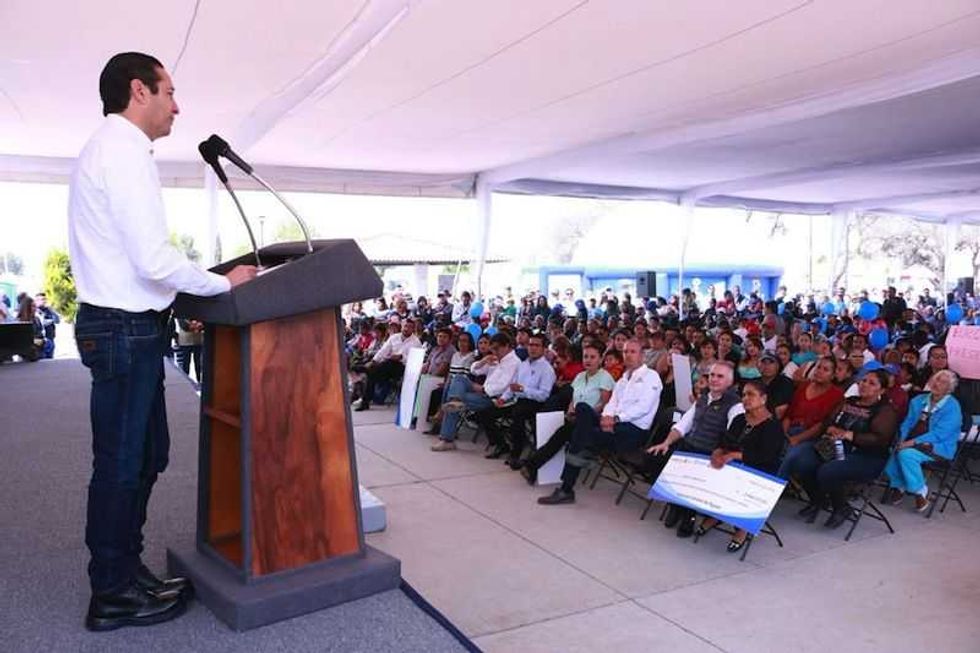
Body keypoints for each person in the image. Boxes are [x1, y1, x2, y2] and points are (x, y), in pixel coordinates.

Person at [69, 52, 258, 631]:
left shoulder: (117, 150)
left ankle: (127, 572)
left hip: (131, 326)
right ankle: (112, 593)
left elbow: (139, 261)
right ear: (138, 91)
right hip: (123, 329)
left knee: (146, 457)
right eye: (169, 92)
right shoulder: (120, 151)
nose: (178, 105)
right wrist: (220, 283)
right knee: (123, 465)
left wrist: (185, 295)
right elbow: (152, 258)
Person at [537, 339, 662, 505]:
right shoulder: (624, 379)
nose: (628, 356)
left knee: (579, 435)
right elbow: (612, 403)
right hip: (613, 423)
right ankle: (583, 457)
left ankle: (567, 488)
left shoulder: (651, 377)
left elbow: (643, 407)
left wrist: (616, 418)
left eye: (633, 352)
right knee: (582, 408)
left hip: (633, 431)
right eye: (625, 352)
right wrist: (606, 417)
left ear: (642, 355)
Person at [787, 370, 899, 528]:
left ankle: (841, 507)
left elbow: (881, 439)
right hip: (836, 447)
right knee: (801, 462)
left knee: (828, 470)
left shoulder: (885, 410)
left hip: (867, 456)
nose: (864, 385)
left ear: (881, 390)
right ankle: (818, 500)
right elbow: (828, 421)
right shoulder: (849, 401)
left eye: (871, 383)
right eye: (863, 380)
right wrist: (831, 428)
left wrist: (849, 435)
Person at [645, 362, 743, 537]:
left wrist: (721, 453)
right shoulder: (704, 397)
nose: (714, 379)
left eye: (720, 376)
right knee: (655, 458)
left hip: (709, 453)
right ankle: (675, 506)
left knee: (694, 476)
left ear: (729, 382)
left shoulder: (735, 405)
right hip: (689, 446)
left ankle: (688, 517)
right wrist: (666, 442)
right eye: (712, 375)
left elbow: (732, 435)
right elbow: (684, 424)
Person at [696, 380, 785, 552]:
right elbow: (726, 441)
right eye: (743, 394)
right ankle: (716, 514)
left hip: (759, 470)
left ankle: (742, 529)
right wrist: (718, 450)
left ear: (763, 399)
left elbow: (766, 456)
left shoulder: (773, 427)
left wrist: (733, 455)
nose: (745, 398)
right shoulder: (739, 419)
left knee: (740, 482)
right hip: (735, 465)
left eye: (751, 394)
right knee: (712, 470)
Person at [520, 342, 615, 484]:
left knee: (562, 433)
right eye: (586, 357)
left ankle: (532, 464)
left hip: (592, 420)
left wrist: (582, 415)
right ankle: (533, 465)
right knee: (559, 431)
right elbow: (574, 398)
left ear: (601, 359)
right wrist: (570, 411)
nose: (588, 360)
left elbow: (604, 404)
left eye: (592, 357)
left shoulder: (605, 377)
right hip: (576, 417)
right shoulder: (580, 376)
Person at [882, 370, 962, 512]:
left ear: (949, 388)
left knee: (905, 454)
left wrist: (911, 443)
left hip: (938, 446)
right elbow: (907, 423)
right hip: (911, 441)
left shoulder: (952, 407)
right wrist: (901, 439)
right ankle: (900, 485)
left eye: (943, 382)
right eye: (936, 380)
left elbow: (939, 434)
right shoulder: (918, 401)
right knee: (891, 450)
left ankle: (919, 491)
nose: (937, 384)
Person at [432, 332, 520, 451]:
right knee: (458, 379)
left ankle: (447, 439)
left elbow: (503, 386)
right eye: (492, 349)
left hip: (494, 398)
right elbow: (474, 371)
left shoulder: (514, 363)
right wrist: (483, 361)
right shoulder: (496, 359)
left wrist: (482, 389)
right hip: (482, 391)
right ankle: (455, 401)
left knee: (453, 399)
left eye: (497, 348)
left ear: (507, 346)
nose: (494, 352)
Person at [479, 332, 556, 464]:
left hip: (535, 403)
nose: (532, 348)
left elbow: (544, 395)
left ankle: (516, 453)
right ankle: (501, 445)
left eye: (537, 345)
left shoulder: (547, 369)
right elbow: (512, 386)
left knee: (518, 414)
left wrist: (523, 389)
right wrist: (503, 398)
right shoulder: (523, 364)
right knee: (485, 413)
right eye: (530, 345)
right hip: (517, 400)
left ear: (544, 349)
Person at [356, 318, 422, 411]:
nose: (407, 328)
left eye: (410, 327)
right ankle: (365, 402)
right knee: (372, 373)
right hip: (389, 364)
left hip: (404, 367)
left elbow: (415, 361)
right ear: (402, 326)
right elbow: (383, 351)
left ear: (413, 329)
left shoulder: (416, 342)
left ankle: (365, 373)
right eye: (405, 326)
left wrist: (401, 357)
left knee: (383, 366)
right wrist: (373, 361)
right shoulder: (394, 337)